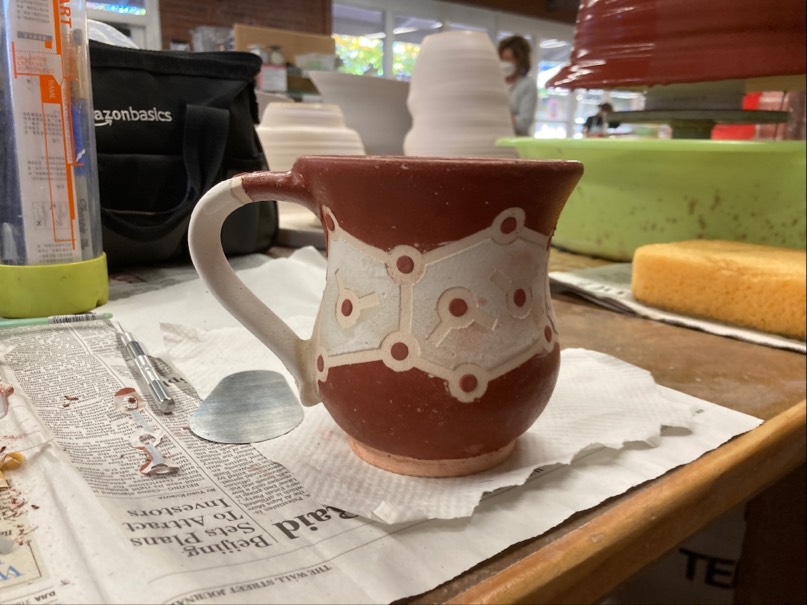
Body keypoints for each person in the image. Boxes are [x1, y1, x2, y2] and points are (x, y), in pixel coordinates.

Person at [498, 35, 538, 136]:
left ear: (520, 61)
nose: (504, 63)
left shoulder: (528, 85)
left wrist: (497, 119)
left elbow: (524, 123)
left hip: (516, 140)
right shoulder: (496, 83)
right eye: (502, 59)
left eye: (508, 59)